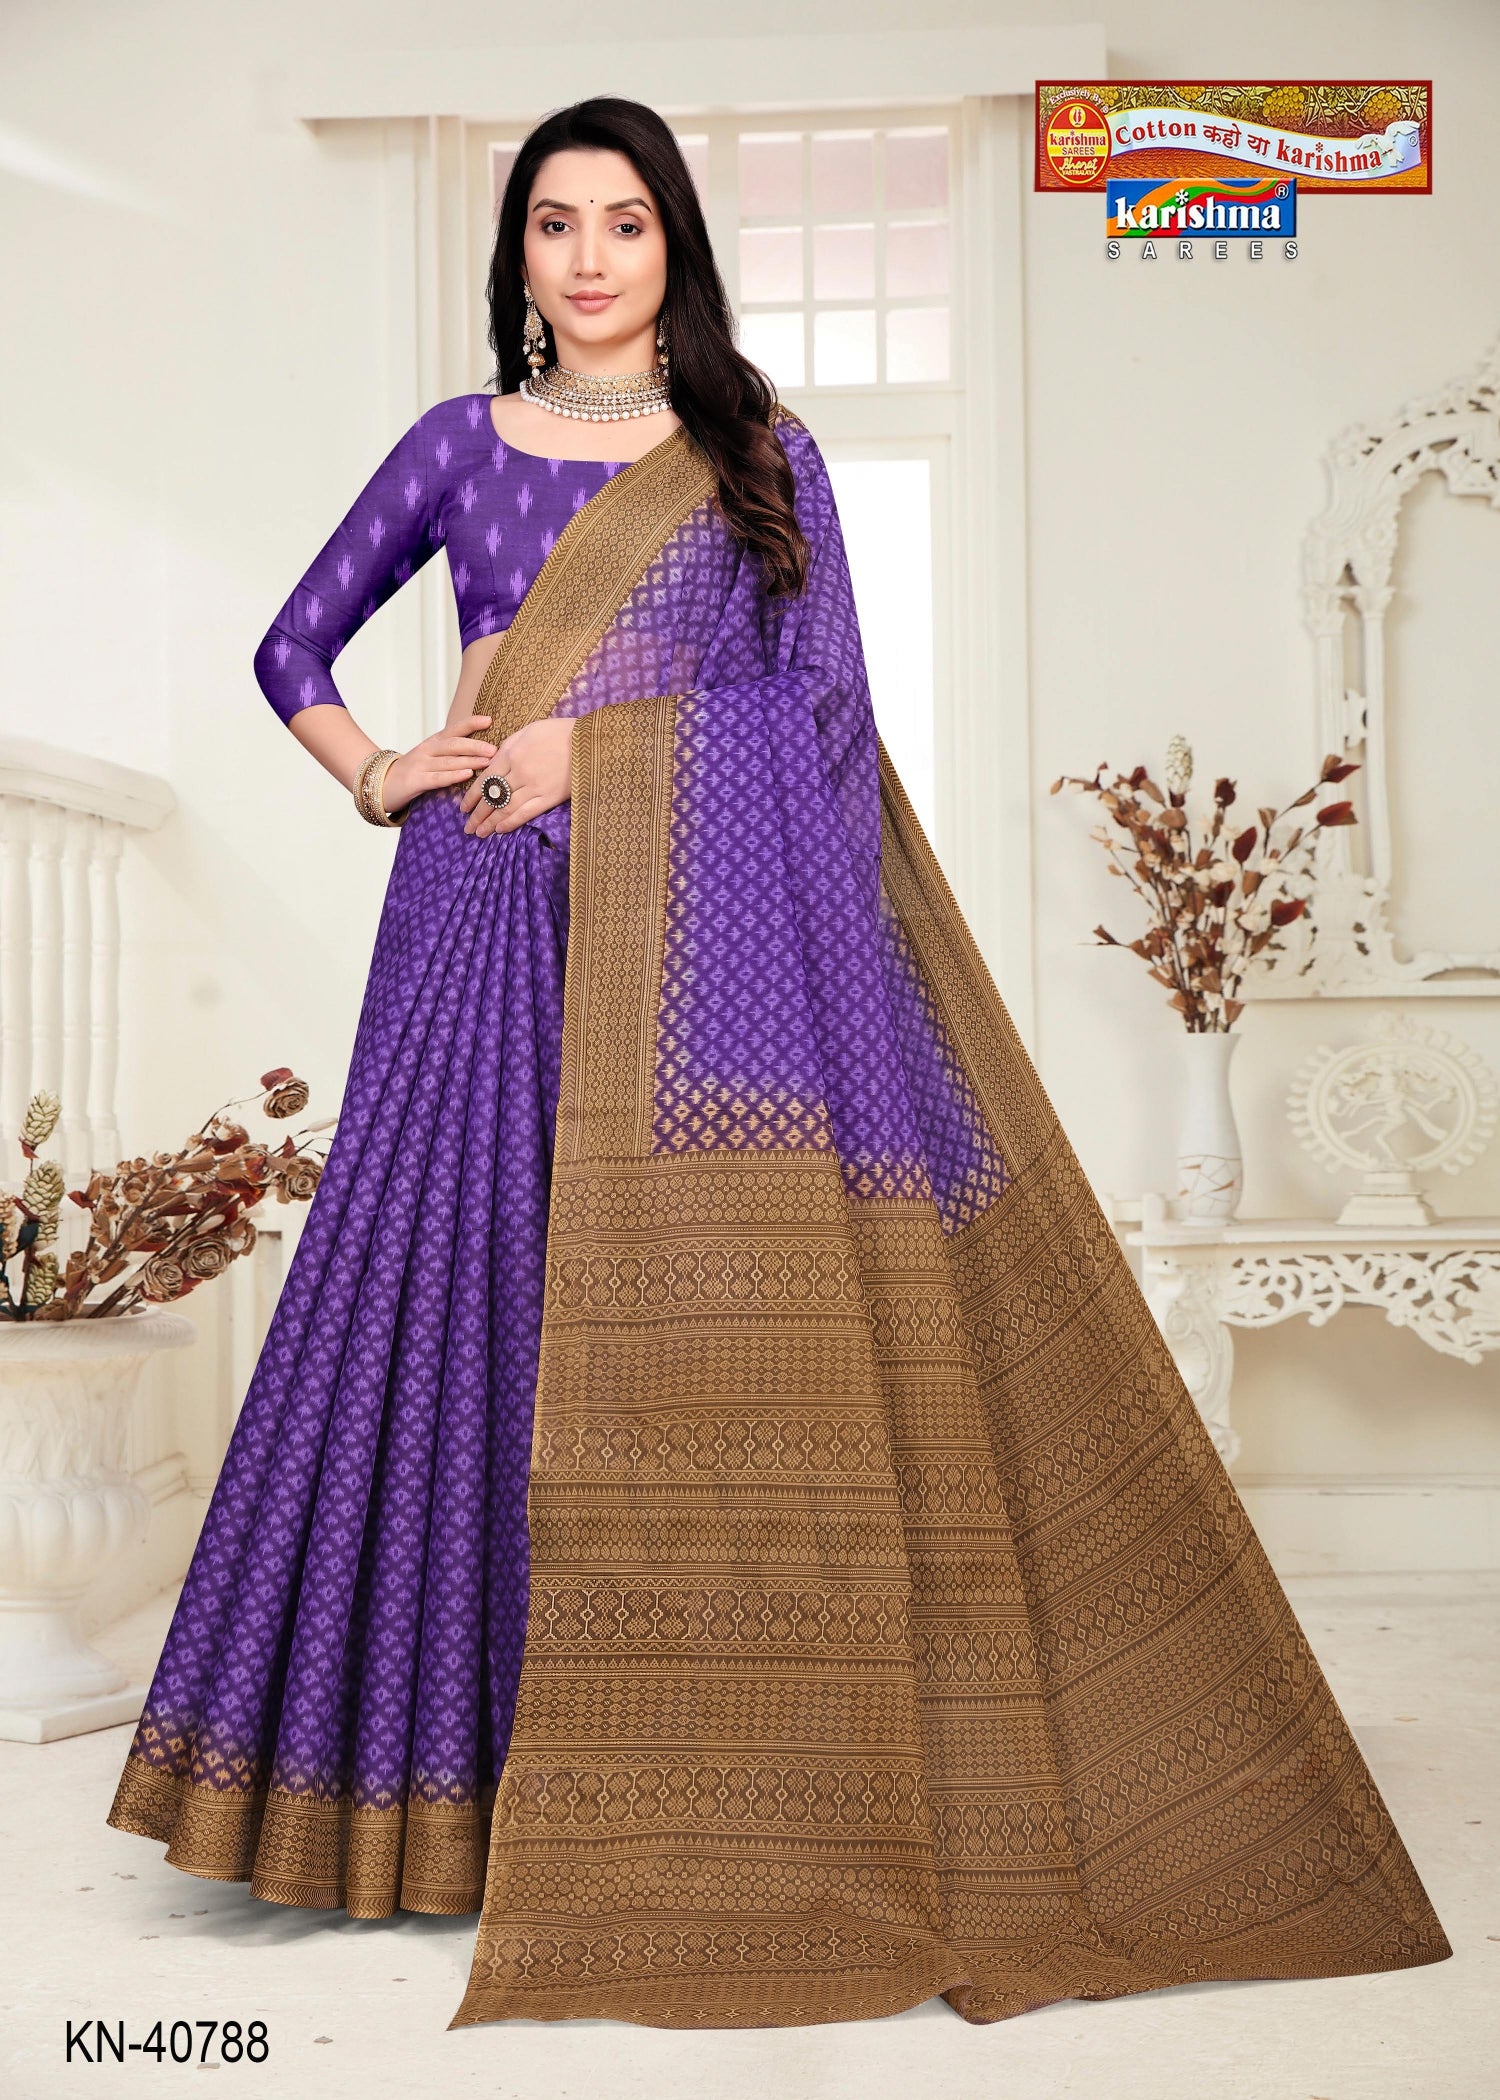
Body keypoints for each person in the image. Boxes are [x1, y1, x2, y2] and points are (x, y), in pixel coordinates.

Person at [107, 95, 1452, 2033]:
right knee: (466, 1310)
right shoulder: (458, 446)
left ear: (674, 247)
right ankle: (440, 1805)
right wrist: (387, 772)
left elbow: (821, 718)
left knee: (664, 1331)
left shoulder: (757, 454)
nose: (587, 257)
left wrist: (595, 752)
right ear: (516, 257)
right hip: (477, 934)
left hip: (688, 961)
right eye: (553, 223)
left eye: (623, 221)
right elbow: (291, 651)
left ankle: (664, 1777)